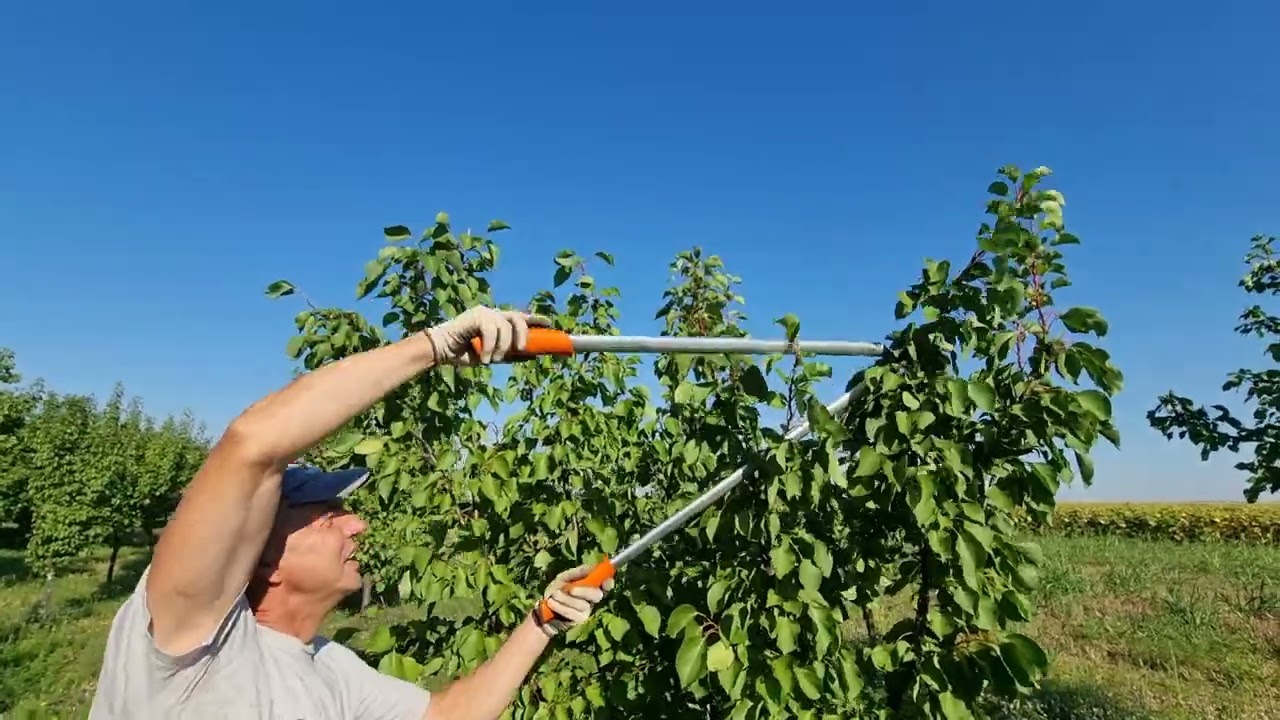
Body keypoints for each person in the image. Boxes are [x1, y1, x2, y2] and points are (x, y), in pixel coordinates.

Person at [88, 306, 614, 719]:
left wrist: (542, 621)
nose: (357, 523)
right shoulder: (189, 638)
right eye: (327, 516)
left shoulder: (329, 668)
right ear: (261, 554)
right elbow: (252, 444)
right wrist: (432, 346)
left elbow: (449, 715)